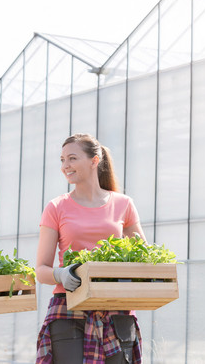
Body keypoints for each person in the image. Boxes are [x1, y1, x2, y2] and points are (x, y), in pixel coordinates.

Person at [35, 133, 147, 363]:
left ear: (94, 161)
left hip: (116, 309)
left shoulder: (123, 204)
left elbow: (143, 257)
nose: (66, 166)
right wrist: (61, 274)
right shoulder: (56, 207)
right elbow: (41, 270)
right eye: (62, 160)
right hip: (68, 309)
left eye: (72, 158)